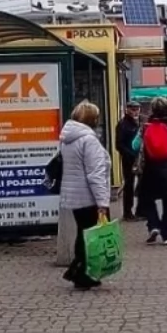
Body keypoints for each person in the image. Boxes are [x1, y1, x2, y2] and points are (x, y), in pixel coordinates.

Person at [59, 100, 111, 290]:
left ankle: (81, 272)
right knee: (90, 237)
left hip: (73, 195)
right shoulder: (89, 140)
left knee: (83, 234)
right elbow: (95, 174)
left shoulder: (67, 139)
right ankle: (80, 272)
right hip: (88, 196)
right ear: (92, 119)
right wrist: (102, 202)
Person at [132, 97, 167, 246]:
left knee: (147, 199)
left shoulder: (145, 127)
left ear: (152, 110)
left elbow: (134, 146)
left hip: (150, 169)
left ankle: (154, 225)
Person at [114, 101, 142, 221]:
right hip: (128, 159)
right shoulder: (123, 124)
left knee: (142, 184)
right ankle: (127, 212)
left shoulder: (139, 123)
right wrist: (130, 155)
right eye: (133, 109)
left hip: (140, 158)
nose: (136, 112)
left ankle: (140, 210)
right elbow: (119, 144)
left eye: (137, 109)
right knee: (129, 185)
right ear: (127, 110)